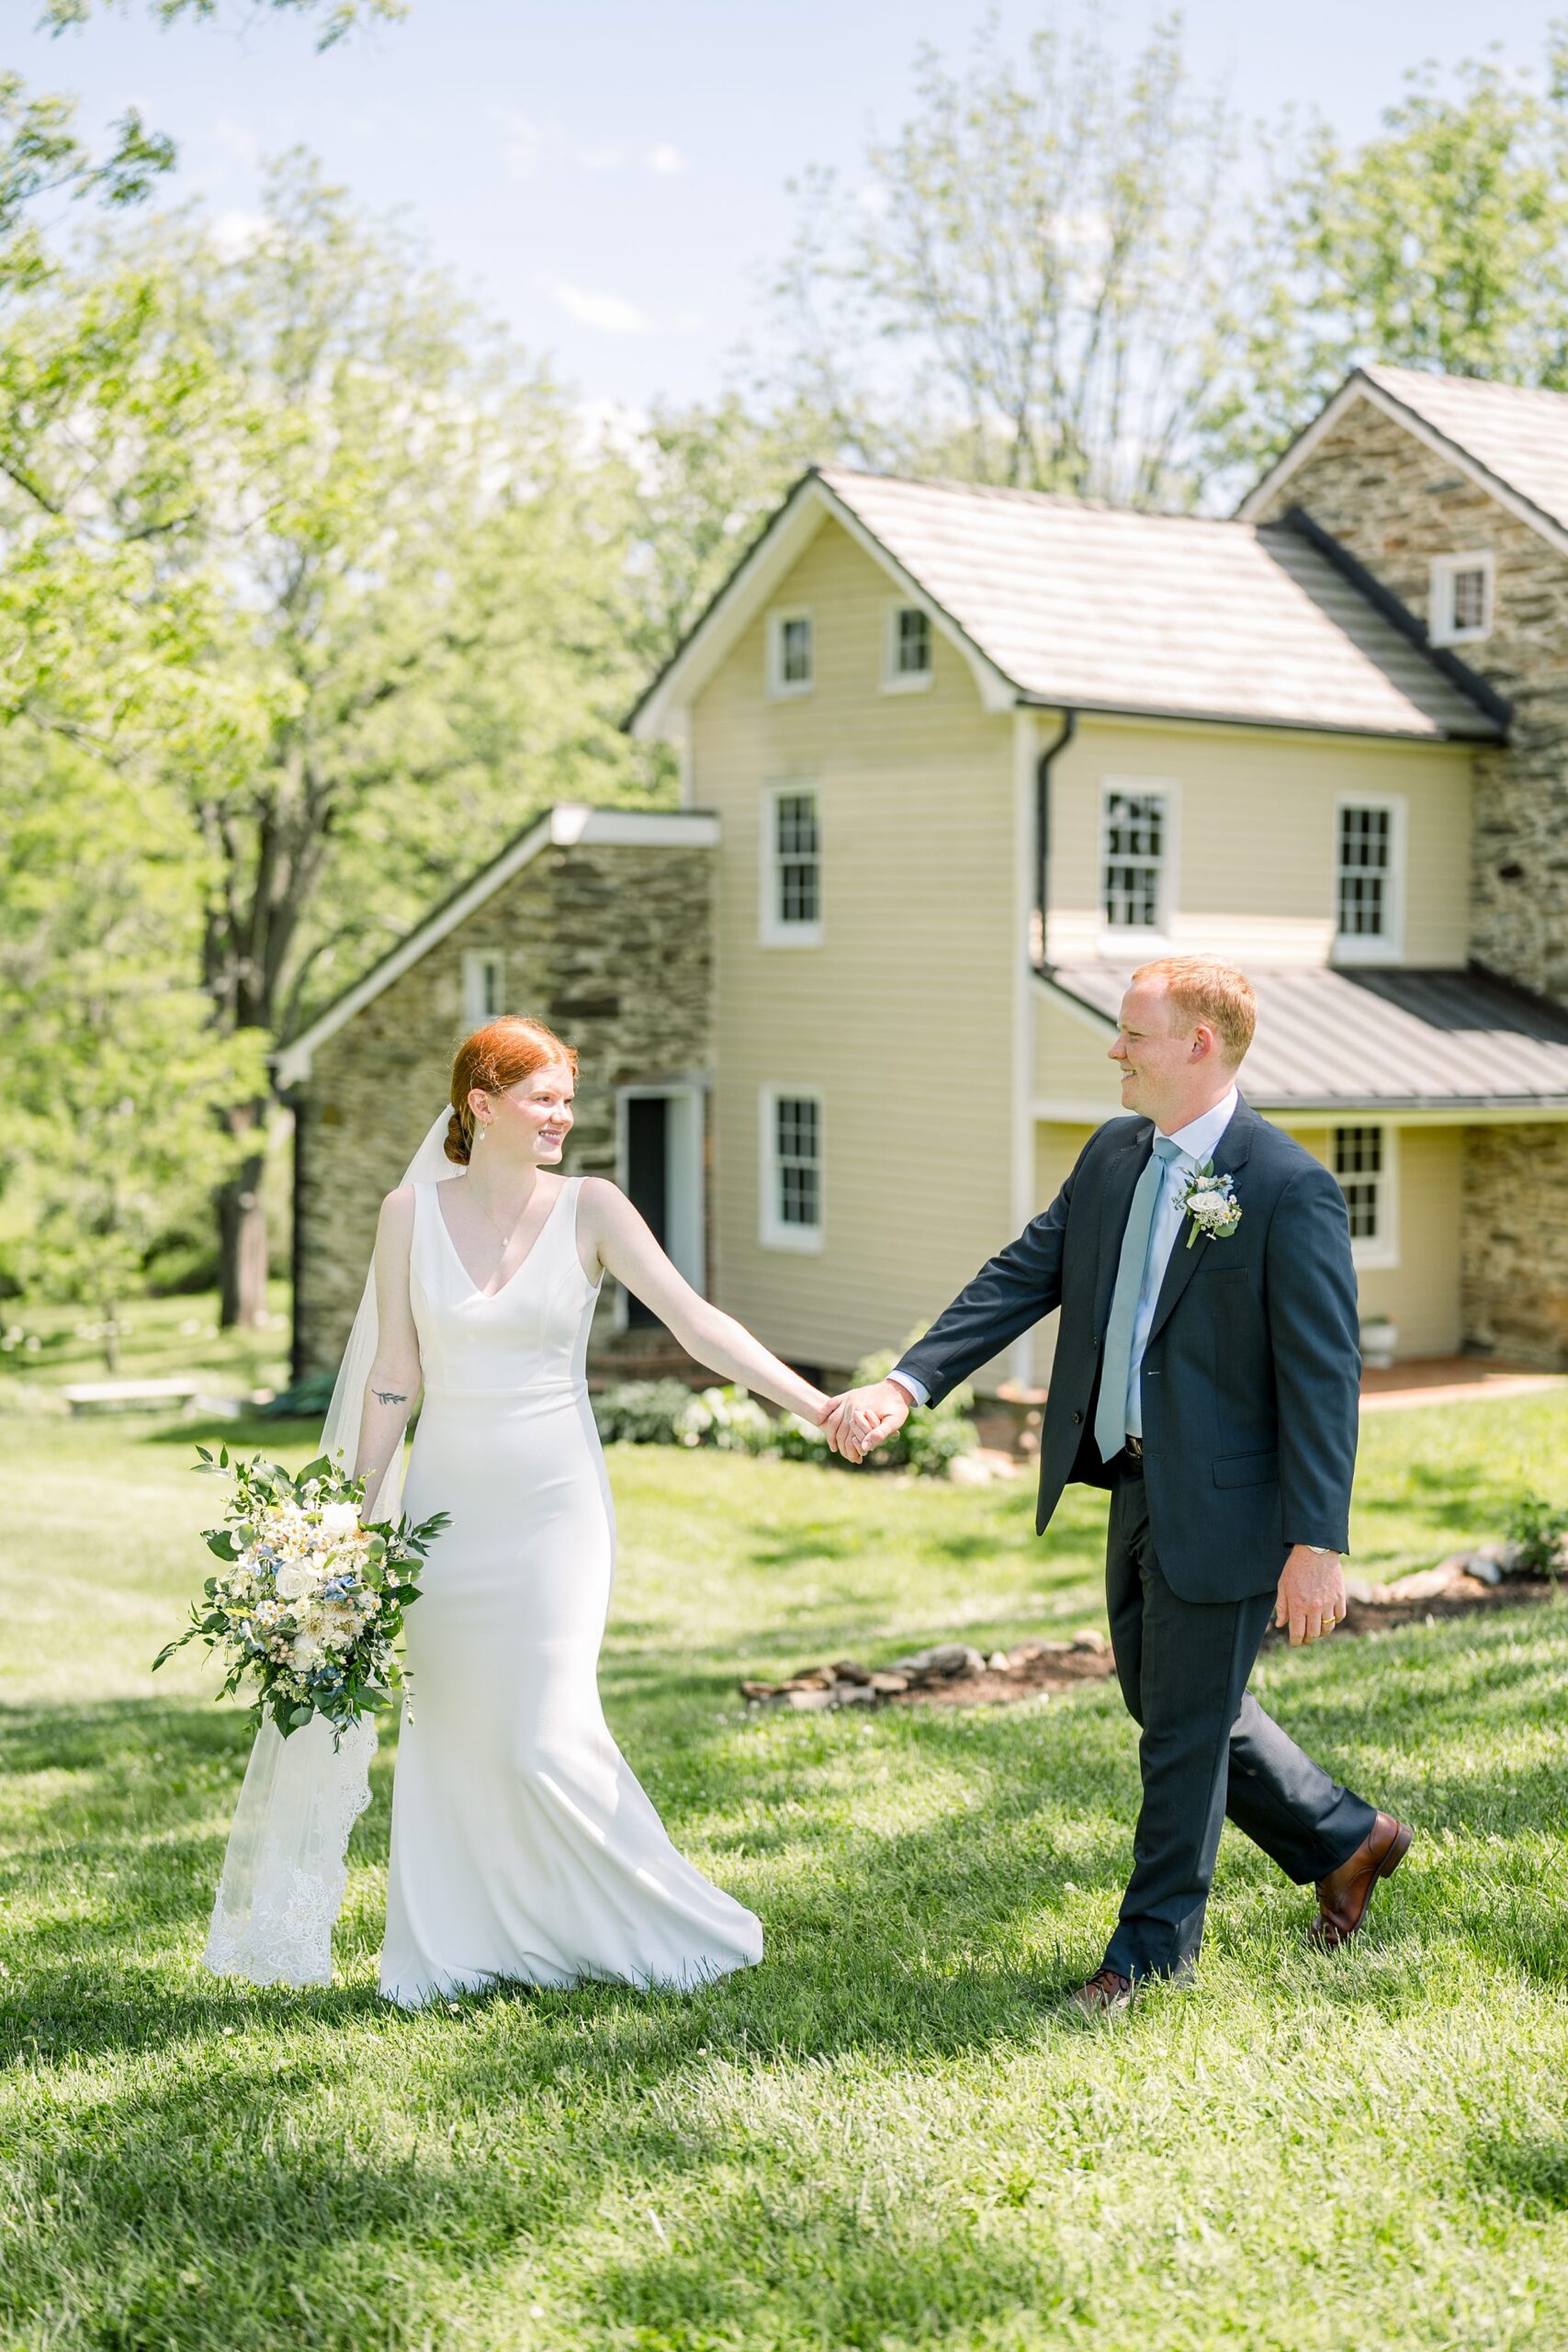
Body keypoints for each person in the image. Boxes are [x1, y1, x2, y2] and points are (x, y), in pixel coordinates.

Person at [826, 956, 1411, 2014]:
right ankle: (1346, 1835)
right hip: (1133, 1485)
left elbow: (1326, 1377)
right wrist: (909, 1385)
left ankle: (1145, 1958)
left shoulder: (1285, 1186)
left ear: (1199, 1044)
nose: (1114, 1051)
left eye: (1133, 1034)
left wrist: (1316, 1540)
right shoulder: (1110, 1155)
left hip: (1234, 1505)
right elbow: (1022, 1273)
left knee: (1184, 1735)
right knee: (1172, 1704)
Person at [204, 1015, 829, 2005]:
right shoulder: (407, 1212)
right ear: (480, 1106)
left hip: (553, 1505)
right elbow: (392, 1378)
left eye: (566, 1099)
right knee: (455, 1729)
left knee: (544, 1727)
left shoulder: (593, 1207)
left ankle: (662, 1923)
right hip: (445, 1507)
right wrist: (345, 1529)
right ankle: (458, 1948)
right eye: (542, 1098)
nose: (562, 1117)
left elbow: (697, 1323)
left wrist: (817, 1403)